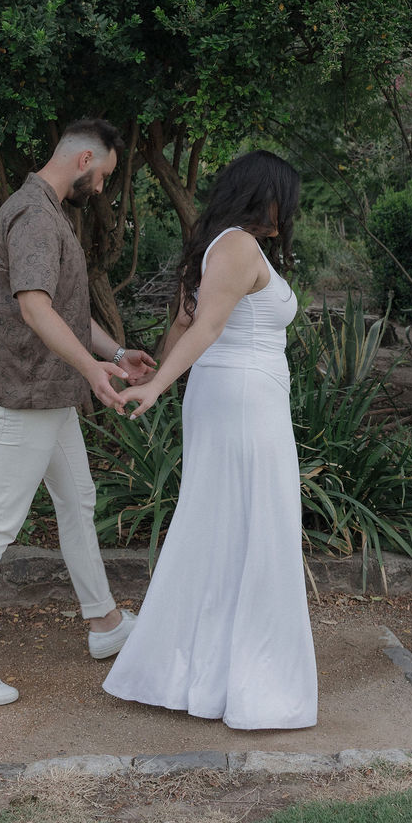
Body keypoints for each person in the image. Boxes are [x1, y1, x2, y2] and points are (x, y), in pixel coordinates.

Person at [0, 118, 156, 706]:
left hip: (49, 397)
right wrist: (91, 370)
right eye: (103, 175)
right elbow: (34, 309)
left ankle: (104, 625)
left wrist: (116, 353)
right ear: (83, 161)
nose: (103, 188)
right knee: (0, 520)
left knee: (77, 502)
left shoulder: (50, 212)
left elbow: (66, 313)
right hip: (28, 396)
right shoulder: (33, 215)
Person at [103, 149, 317, 730]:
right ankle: (246, 677)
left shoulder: (215, 245)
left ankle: (202, 670)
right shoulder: (239, 247)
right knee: (251, 526)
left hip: (235, 398)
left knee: (223, 525)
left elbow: (182, 325)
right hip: (244, 402)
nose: (286, 212)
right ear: (261, 193)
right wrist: (157, 389)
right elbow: (209, 327)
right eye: (283, 200)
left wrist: (158, 373)